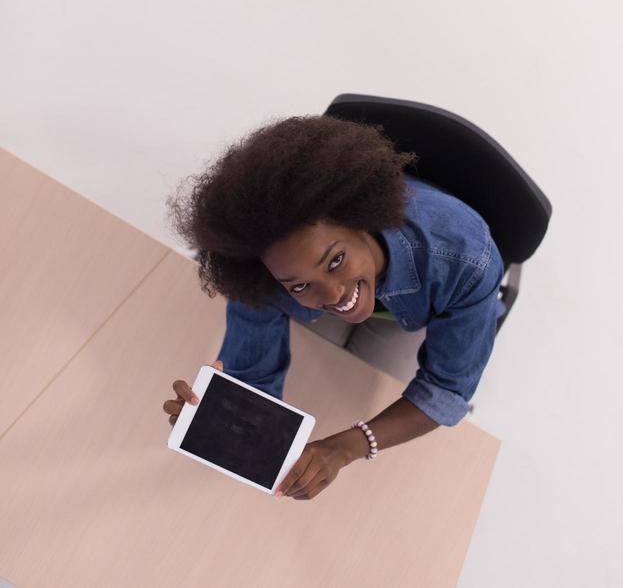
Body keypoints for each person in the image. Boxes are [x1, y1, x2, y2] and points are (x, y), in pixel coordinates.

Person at [162, 114, 505, 501]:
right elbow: (253, 378)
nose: (332, 295)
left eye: (336, 260)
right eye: (300, 285)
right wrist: (221, 416)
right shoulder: (268, 266)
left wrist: (345, 447)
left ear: (362, 221)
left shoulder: (465, 259)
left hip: (425, 304)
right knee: (328, 381)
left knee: (359, 397)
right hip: (369, 286)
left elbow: (444, 389)